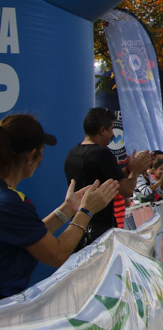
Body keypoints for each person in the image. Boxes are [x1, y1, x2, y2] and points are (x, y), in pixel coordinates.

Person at [1, 114, 120, 298]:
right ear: (32, 156)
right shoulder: (9, 204)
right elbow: (57, 255)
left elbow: (30, 235)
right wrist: (86, 211)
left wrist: (67, 209)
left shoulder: (8, 201)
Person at [64, 107, 151, 246]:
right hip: (100, 231)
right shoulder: (102, 154)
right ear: (102, 130)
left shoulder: (72, 154)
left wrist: (127, 170)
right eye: (111, 129)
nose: (112, 134)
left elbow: (102, 176)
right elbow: (127, 190)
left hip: (77, 228)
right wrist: (136, 171)